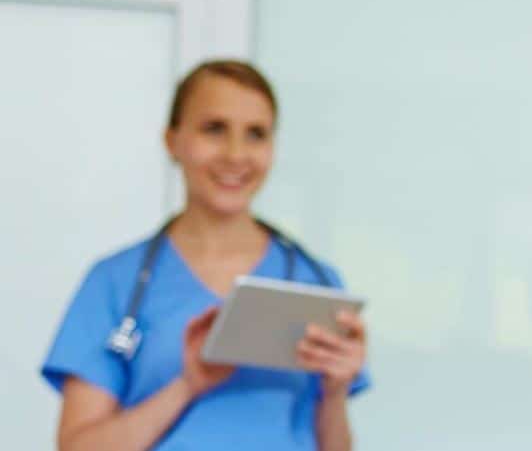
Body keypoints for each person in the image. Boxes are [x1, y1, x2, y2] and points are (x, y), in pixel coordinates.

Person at [41, 60, 370, 450]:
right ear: (173, 140)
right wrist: (188, 384)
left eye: (256, 134)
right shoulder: (115, 281)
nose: (236, 154)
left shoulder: (316, 283)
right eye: (214, 129)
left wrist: (335, 392)